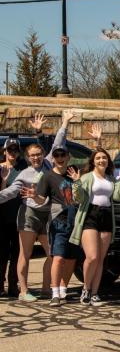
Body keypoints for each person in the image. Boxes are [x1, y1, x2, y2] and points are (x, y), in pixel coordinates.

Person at [0, 111, 75, 301]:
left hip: (47, 214)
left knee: (51, 253)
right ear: (27, 157)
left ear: (43, 155)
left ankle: (45, 288)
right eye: (32, 155)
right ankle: (24, 291)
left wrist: (65, 122)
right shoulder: (23, 174)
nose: (36, 158)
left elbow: (58, 144)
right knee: (25, 253)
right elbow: (11, 192)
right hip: (29, 214)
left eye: (38, 154)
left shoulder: (49, 166)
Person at [68, 147, 120, 306]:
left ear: (108, 161)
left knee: (101, 259)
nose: (101, 160)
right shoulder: (87, 177)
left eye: (104, 158)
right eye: (98, 158)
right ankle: (86, 289)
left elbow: (117, 197)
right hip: (90, 215)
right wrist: (77, 182)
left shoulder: (111, 179)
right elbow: (79, 199)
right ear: (93, 161)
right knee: (92, 256)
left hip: (107, 216)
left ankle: (95, 294)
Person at [21, 144, 79, 306]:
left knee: (71, 258)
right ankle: (54, 293)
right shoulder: (47, 176)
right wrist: (34, 196)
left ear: (68, 157)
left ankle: (63, 289)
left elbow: (95, 163)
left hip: (75, 221)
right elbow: (42, 199)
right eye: (57, 156)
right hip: (58, 221)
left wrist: (99, 142)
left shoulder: (73, 173)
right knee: (58, 257)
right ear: (53, 159)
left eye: (63, 155)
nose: (60, 158)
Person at [0, 138, 28, 297]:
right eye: (9, 150)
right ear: (4, 151)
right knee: (2, 253)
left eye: (15, 150)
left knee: (17, 253)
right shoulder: (0, 168)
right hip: (2, 218)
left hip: (19, 217)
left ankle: (12, 285)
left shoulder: (23, 167)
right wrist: (3, 180)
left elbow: (44, 156)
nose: (12, 153)